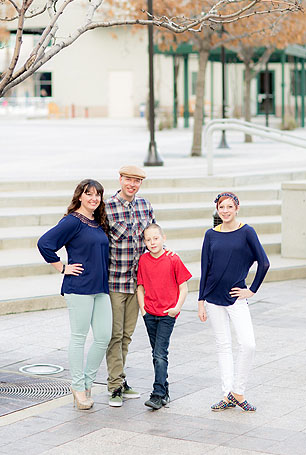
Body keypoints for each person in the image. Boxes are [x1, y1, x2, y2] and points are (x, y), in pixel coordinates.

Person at [37, 179, 111, 410]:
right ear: (80, 196)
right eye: (89, 194)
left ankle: (87, 383)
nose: (93, 198)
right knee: (79, 337)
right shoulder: (72, 221)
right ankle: (79, 387)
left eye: (97, 195)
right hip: (78, 288)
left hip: (100, 288)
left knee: (103, 337)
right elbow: (44, 243)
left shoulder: (97, 222)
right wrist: (62, 267)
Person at [197, 192, 270, 412]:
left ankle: (238, 390)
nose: (225, 211)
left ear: (237, 208)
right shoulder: (211, 234)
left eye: (230, 207)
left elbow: (264, 263)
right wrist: (201, 300)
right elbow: (205, 268)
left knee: (248, 344)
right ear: (217, 210)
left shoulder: (247, 231)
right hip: (212, 297)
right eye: (222, 207)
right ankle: (227, 393)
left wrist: (251, 290)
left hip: (236, 297)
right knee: (223, 345)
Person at [104, 164, 157, 407]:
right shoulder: (106, 207)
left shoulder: (145, 206)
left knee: (126, 336)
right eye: (128, 179)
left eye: (137, 181)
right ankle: (114, 385)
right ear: (121, 179)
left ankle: (120, 380)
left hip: (137, 284)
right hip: (115, 280)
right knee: (114, 335)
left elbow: (152, 238)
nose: (132, 184)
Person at [136, 224, 192, 411]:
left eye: (156, 238)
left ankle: (158, 394)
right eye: (148, 239)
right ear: (144, 242)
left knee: (160, 354)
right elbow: (140, 287)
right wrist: (143, 310)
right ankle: (165, 389)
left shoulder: (173, 259)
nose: (152, 242)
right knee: (157, 354)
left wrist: (176, 308)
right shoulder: (143, 260)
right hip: (150, 314)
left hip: (168, 314)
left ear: (163, 238)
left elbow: (184, 287)